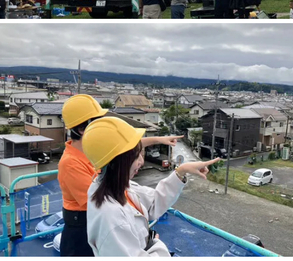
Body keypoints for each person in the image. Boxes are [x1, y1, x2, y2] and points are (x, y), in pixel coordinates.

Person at [58, 95, 182, 256]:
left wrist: (158, 139)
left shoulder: (94, 151)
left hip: (94, 224)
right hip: (81, 232)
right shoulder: (70, 164)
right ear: (82, 129)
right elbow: (101, 201)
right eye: (96, 120)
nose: (101, 124)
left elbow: (121, 149)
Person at [82, 117, 218, 256]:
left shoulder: (115, 186)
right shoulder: (112, 219)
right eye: (135, 157)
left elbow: (154, 202)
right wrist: (155, 244)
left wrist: (182, 171)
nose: (141, 161)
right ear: (118, 162)